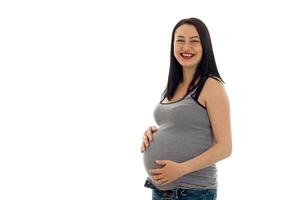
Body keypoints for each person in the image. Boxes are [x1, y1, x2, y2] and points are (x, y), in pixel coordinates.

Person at [140, 17, 232, 200]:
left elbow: (225, 147)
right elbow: (182, 126)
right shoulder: (173, 86)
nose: (186, 47)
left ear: (205, 46)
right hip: (161, 190)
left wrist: (181, 169)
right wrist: (153, 132)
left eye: (194, 41)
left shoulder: (211, 85)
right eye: (180, 40)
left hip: (192, 192)